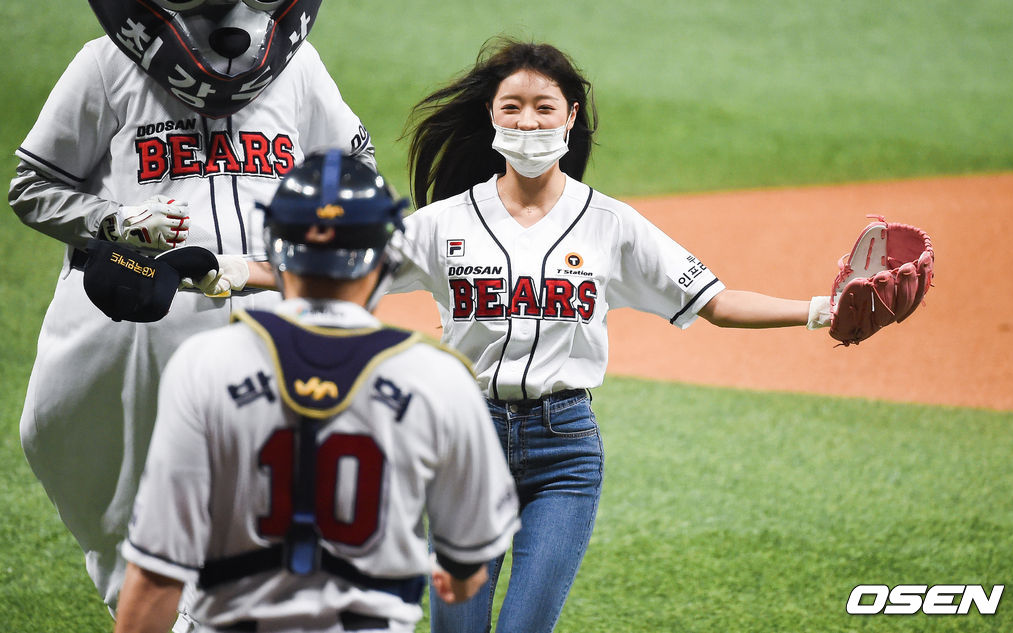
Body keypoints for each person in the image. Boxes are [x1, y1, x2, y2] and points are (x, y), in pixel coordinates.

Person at [386, 38, 833, 633]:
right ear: (490, 115)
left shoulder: (610, 224)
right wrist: (231, 270)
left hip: (563, 451)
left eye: (545, 107)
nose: (528, 121)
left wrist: (821, 310)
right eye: (512, 106)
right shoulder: (442, 223)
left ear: (571, 115)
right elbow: (331, 268)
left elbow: (717, 302)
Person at [8, 0, 377, 621]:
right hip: (127, 329)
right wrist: (111, 221)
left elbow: (356, 174)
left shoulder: (297, 70)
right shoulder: (106, 66)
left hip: (260, 326)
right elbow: (32, 186)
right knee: (99, 487)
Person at [114, 151, 520, 633]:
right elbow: (468, 566)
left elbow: (157, 573)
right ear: (384, 258)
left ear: (276, 247)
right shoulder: (439, 378)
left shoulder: (207, 366)